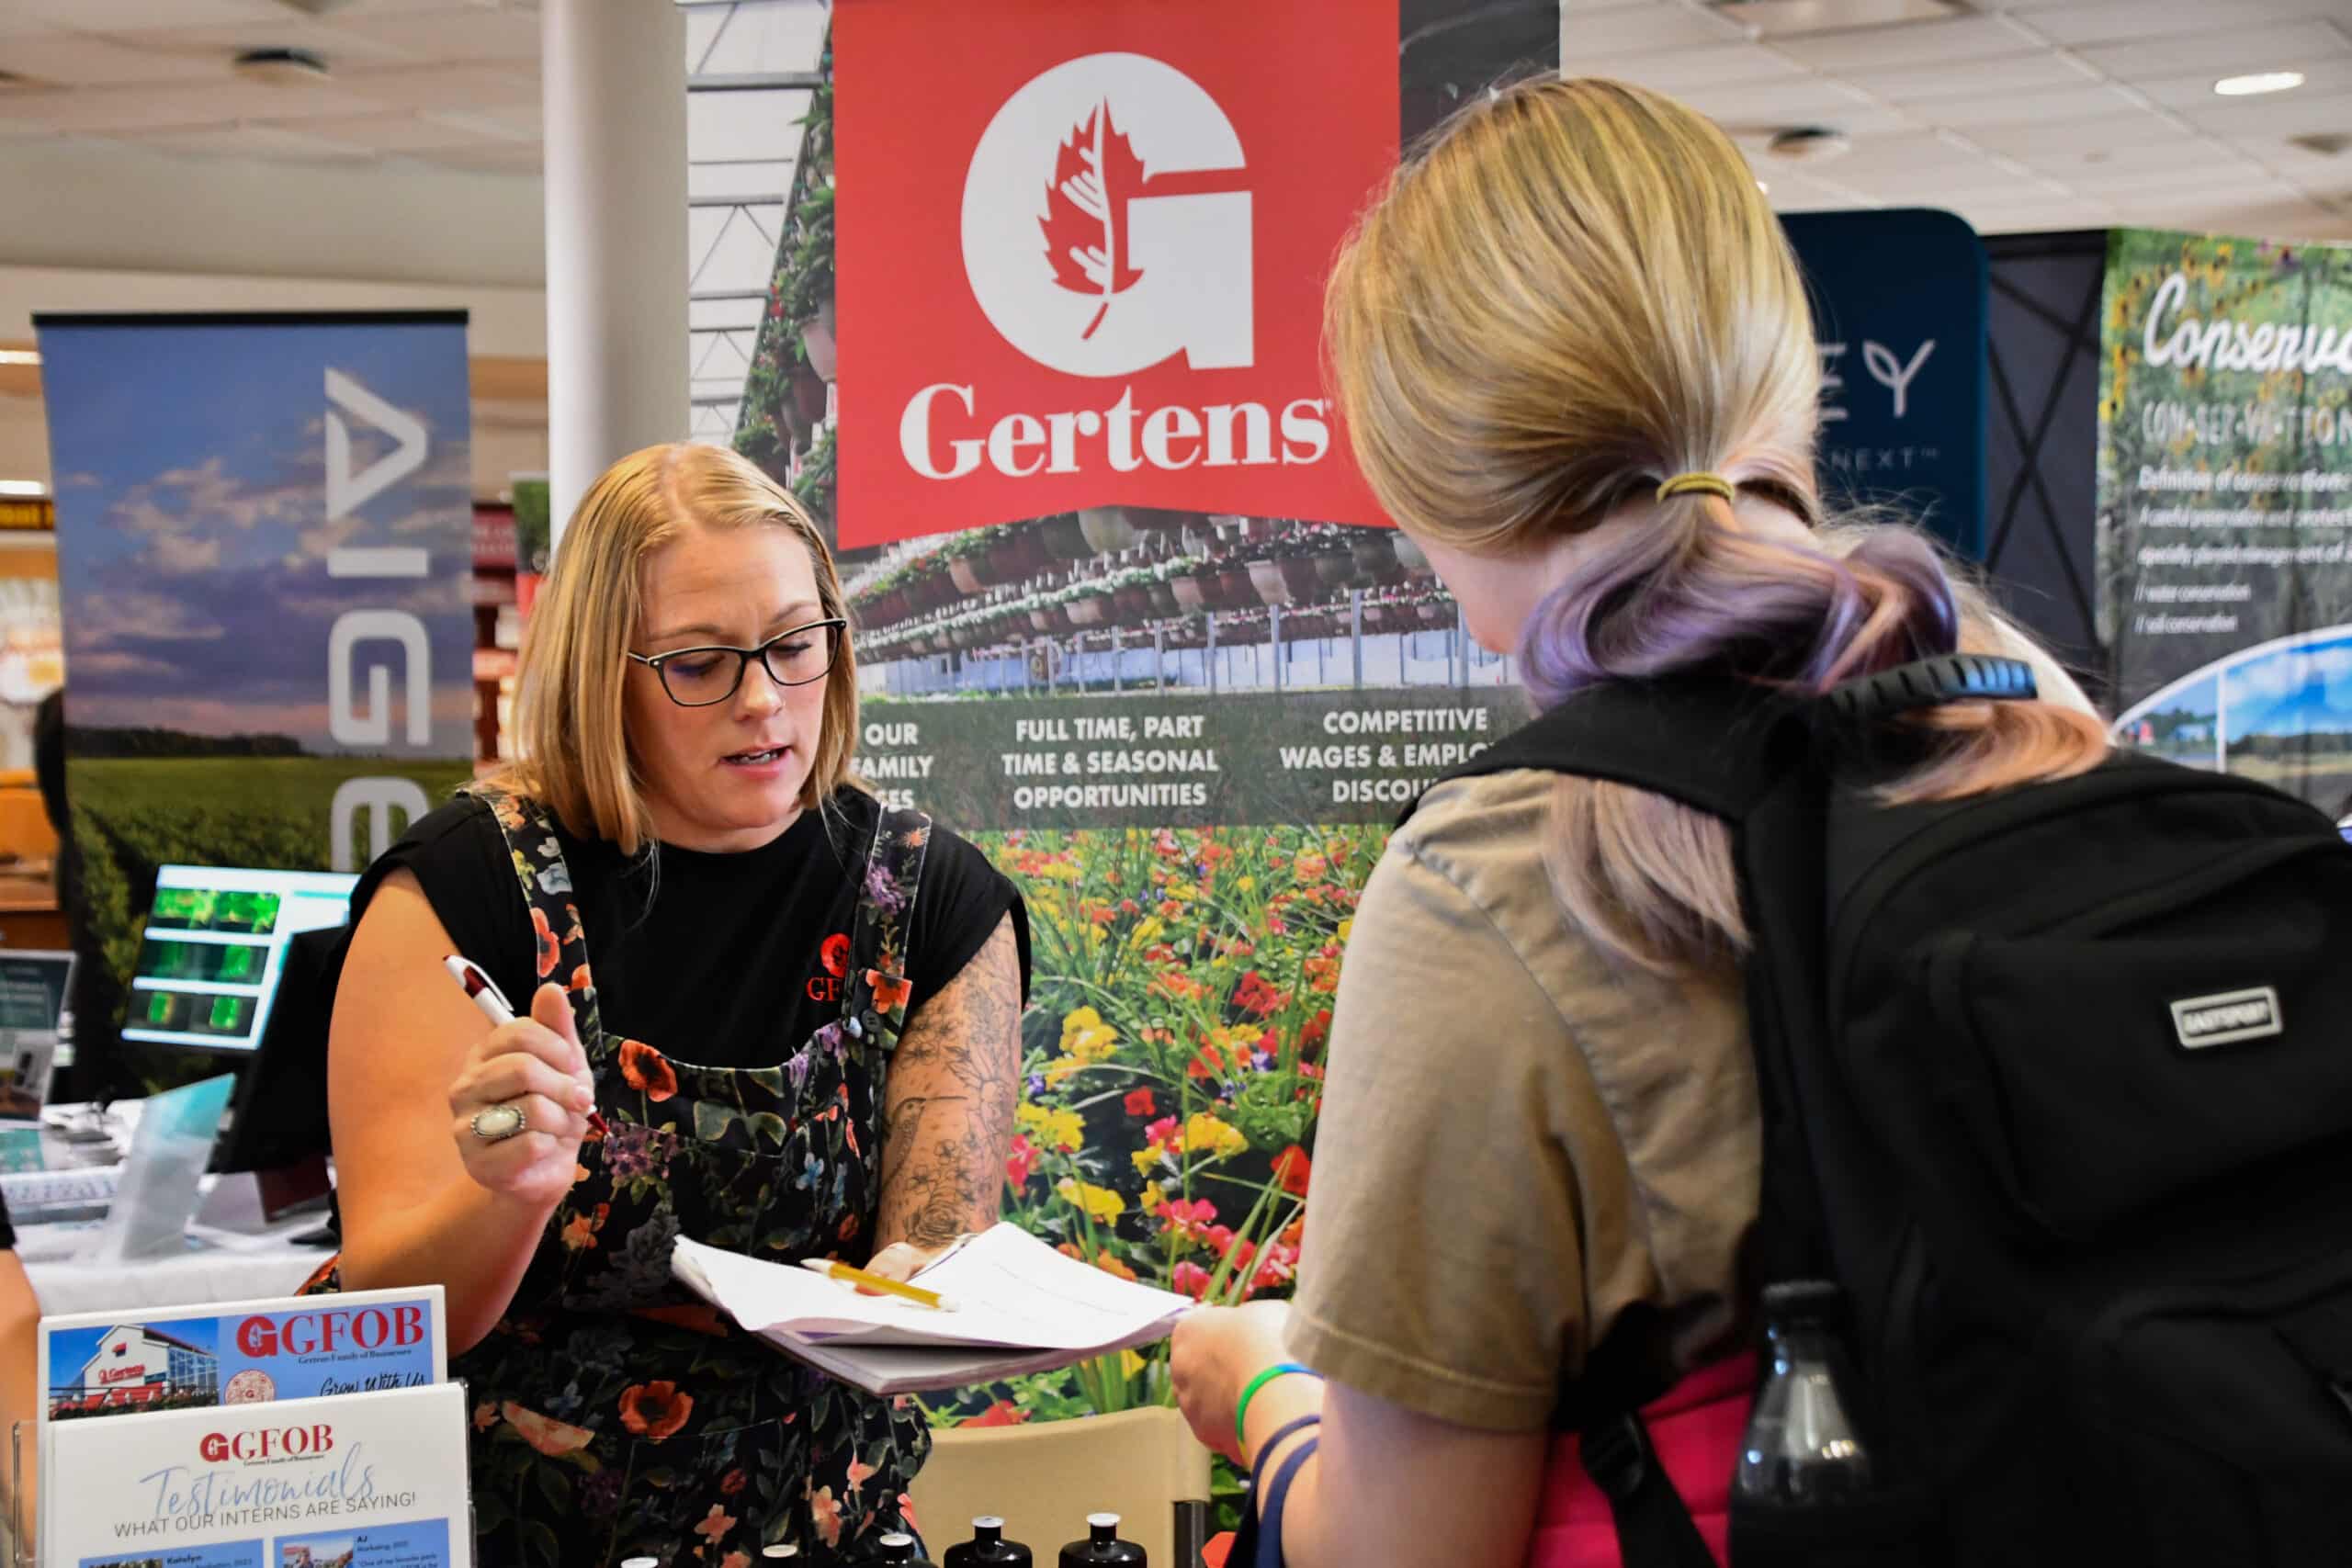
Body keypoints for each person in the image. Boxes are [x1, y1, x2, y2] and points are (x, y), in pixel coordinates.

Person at [1170, 78, 2106, 1568]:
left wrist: (1263, 1393)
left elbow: (1407, 1551)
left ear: (1433, 481)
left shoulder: (1504, 874)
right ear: (1778, 372)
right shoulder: (2034, 719)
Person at [318, 444, 1029, 1567]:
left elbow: (936, 1247)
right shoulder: (465, 891)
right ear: (603, 674)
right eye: (700, 663)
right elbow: (385, 1319)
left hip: (819, 1525)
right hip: (491, 1527)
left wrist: (923, 1295)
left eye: (796, 646)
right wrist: (510, 1191)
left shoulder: (934, 904)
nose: (763, 698)